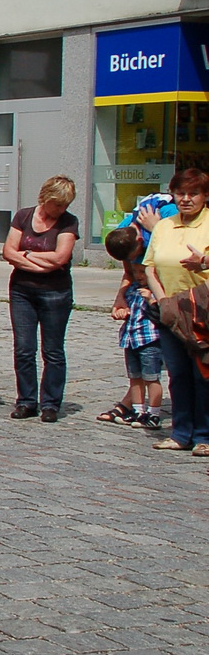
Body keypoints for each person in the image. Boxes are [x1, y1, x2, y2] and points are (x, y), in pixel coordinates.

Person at [143, 168, 209, 454]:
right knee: (178, 373)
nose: (185, 199)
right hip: (171, 309)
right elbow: (150, 266)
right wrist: (161, 301)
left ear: (205, 196)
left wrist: (204, 262)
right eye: (180, 193)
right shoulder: (164, 226)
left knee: (203, 373)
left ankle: (205, 436)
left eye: (193, 194)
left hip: (202, 310)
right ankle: (181, 432)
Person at [4, 176, 79, 422]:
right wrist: (36, 261)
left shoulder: (69, 222)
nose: (61, 210)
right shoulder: (24, 216)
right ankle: (26, 400)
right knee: (24, 349)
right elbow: (8, 251)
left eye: (65, 205)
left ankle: (50, 403)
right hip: (22, 290)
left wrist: (25, 256)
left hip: (56, 293)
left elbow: (60, 258)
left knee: (53, 350)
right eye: (58, 204)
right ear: (45, 198)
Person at [101, 226, 164, 431]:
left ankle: (154, 413)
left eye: (142, 272)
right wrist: (120, 308)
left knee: (152, 377)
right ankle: (138, 409)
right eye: (136, 272)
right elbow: (125, 308)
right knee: (135, 376)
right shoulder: (133, 289)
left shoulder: (154, 290)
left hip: (150, 339)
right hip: (131, 339)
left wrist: (152, 299)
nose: (139, 276)